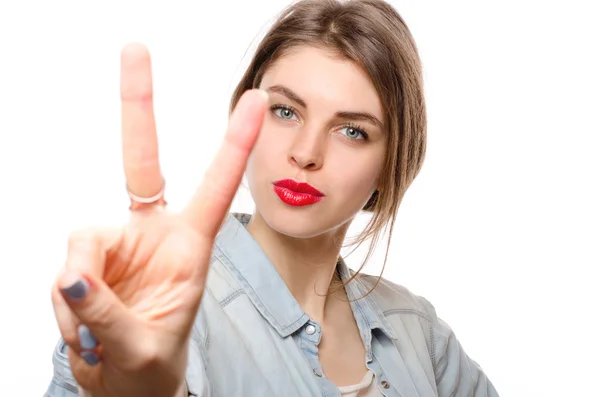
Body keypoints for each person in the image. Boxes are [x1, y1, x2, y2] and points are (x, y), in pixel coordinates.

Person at [45, 0, 499, 396]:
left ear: (391, 163)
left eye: (351, 130)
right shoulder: (155, 312)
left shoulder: (419, 333)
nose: (305, 153)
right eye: (285, 111)